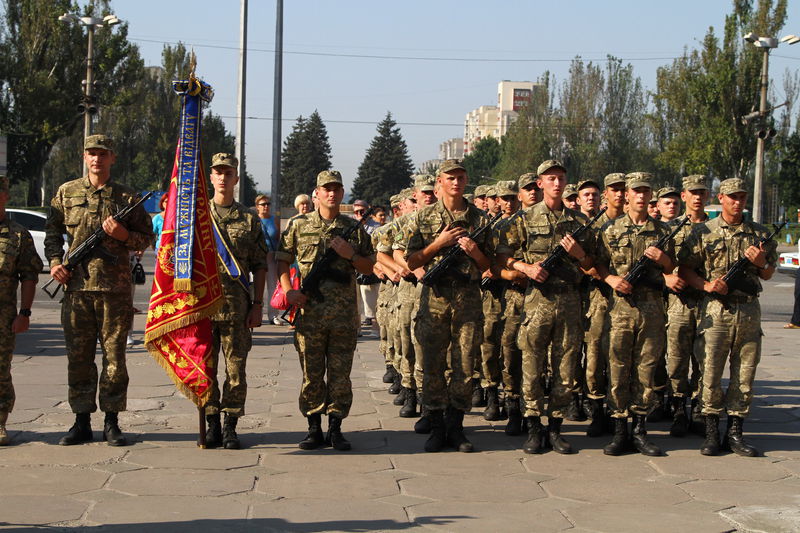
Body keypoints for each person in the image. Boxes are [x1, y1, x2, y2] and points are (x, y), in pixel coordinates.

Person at [45, 134, 154, 447]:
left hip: (114, 291)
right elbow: (52, 233)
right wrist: (55, 263)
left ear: (112, 158)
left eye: (102, 154)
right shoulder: (66, 192)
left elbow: (145, 238)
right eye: (92, 153)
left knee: (114, 359)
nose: (97, 159)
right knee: (79, 359)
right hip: (76, 289)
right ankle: (81, 421)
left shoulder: (126, 197)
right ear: (84, 157)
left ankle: (112, 421)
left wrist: (122, 235)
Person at [497, 160, 594, 455]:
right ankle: (534, 428)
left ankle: (555, 428)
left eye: (561, 178)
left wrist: (579, 255)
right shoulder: (522, 219)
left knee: (565, 367)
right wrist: (525, 268)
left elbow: (592, 265)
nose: (556, 183)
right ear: (540, 183)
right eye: (550, 178)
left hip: (569, 302)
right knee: (532, 365)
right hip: (537, 301)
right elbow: (502, 257)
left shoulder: (579, 222)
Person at [678, 178, 777, 457]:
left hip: (748, 310)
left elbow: (768, 273)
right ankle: (711, 432)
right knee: (710, 372)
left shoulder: (759, 234)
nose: (738, 201)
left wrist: (761, 263)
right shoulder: (703, 232)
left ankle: (735, 433)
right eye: (732, 197)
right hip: (715, 310)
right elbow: (685, 269)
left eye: (742, 197)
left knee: (744, 373)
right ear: (721, 198)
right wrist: (706, 286)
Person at [277, 170, 375, 451]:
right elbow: (282, 260)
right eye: (326, 189)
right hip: (310, 316)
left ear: (342, 194)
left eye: (336, 189)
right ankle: (313, 427)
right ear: (316, 193)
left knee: (341, 374)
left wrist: (350, 255)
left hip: (344, 316)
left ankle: (336, 427)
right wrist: (288, 291)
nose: (331, 193)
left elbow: (371, 267)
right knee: (311, 373)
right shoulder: (299, 225)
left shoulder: (353, 229)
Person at [401, 159, 492, 453]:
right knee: (432, 365)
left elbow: (489, 265)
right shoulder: (423, 217)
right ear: (440, 181)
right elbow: (412, 261)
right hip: (435, 300)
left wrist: (475, 251)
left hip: (468, 301)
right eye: (450, 178)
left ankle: (456, 426)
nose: (456, 182)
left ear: (466, 180)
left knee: (465, 365)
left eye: (460, 177)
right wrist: (438, 243)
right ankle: (437, 426)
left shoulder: (480, 219)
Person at [594, 172, 675, 457]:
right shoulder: (610, 230)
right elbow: (597, 266)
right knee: (617, 368)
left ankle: (639, 429)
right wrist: (612, 280)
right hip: (620, 310)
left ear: (651, 195)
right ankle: (618, 429)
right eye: (635, 191)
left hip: (651, 308)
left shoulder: (663, 232)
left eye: (645, 191)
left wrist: (661, 258)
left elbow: (672, 269)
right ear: (627, 195)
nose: (641, 196)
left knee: (646, 368)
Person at [204, 153, 269, 449]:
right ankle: (211, 421)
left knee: (235, 369)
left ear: (236, 179)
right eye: (218, 172)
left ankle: (230, 423)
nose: (222, 177)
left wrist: (258, 306)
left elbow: (260, 264)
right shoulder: (197, 217)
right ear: (211, 177)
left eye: (228, 173)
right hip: (202, 308)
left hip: (237, 307)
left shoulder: (248, 218)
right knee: (204, 369)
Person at [581, 173, 626, 437]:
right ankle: (598, 411)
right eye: (614, 190)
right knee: (596, 358)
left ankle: (620, 413)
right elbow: (584, 262)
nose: (619, 194)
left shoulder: (636, 224)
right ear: (605, 194)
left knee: (622, 358)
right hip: (599, 298)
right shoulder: (594, 226)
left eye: (623, 190)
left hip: (629, 301)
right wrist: (607, 277)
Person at [664, 175, 709, 437]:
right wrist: (665, 277)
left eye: (702, 192)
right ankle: (679, 410)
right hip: (678, 303)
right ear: (684, 196)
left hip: (706, 302)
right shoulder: (668, 230)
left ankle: (701, 411)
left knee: (703, 360)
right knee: (677, 360)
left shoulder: (715, 228)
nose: (697, 197)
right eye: (693, 192)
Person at [0, 175, 43, 445]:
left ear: (4, 196)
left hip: (3, 318)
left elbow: (29, 276)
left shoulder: (18, 234)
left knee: (0, 371)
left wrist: (24, 313)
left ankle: (0, 422)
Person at [353, 199, 381, 327]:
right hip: (354, 268)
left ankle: (375, 327)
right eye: (356, 212)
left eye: (362, 211)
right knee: (356, 302)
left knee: (372, 301)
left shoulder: (376, 227)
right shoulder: (351, 226)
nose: (359, 214)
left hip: (370, 267)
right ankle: (356, 329)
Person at [255, 194, 280, 326]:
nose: (266, 207)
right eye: (263, 204)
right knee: (255, 288)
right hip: (257, 257)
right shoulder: (254, 220)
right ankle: (255, 314)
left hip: (271, 257)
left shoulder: (274, 220)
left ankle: (273, 315)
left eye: (268, 204)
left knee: (272, 287)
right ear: (257, 207)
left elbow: (278, 239)